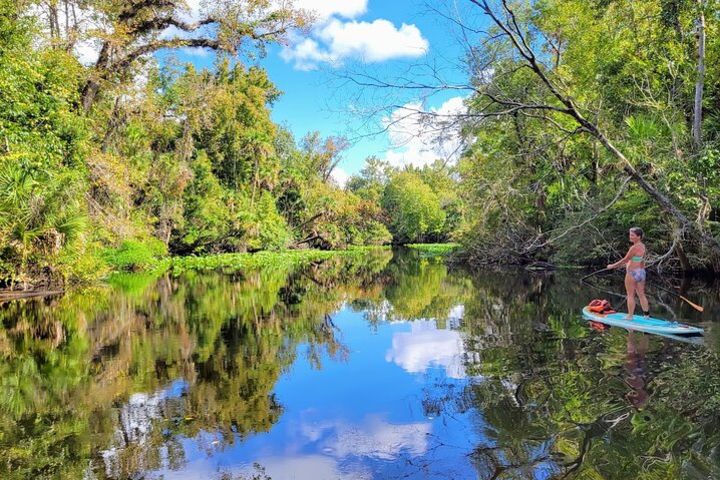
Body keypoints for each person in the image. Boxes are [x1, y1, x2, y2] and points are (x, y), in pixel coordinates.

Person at [607, 227, 649, 319]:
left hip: (632, 273)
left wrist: (612, 266)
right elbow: (640, 260)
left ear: (639, 236)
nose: (630, 237)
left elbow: (625, 259)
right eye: (630, 234)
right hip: (641, 272)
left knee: (630, 295)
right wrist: (641, 269)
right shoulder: (643, 246)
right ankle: (646, 315)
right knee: (641, 294)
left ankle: (630, 316)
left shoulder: (634, 248)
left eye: (632, 235)